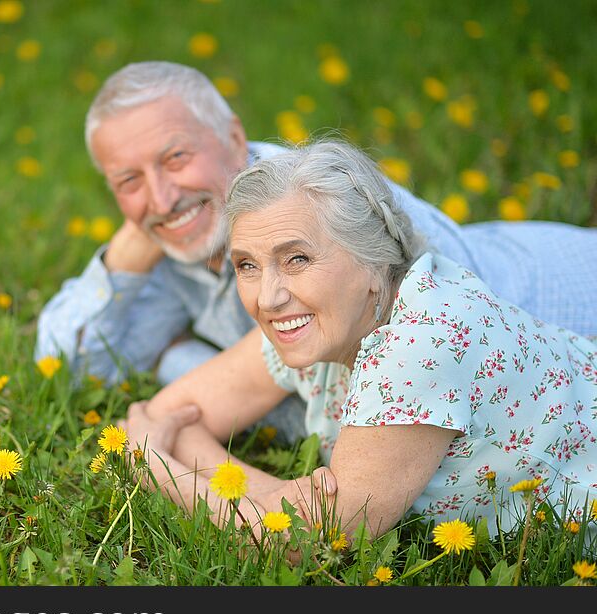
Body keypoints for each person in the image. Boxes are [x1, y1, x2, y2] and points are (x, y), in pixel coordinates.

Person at [36, 60, 597, 443]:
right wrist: (130, 249)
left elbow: (383, 408)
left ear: (233, 138)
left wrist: (178, 364)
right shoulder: (176, 240)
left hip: (569, 301)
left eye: (176, 157)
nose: (160, 195)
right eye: (128, 180)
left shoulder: (330, 201)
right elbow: (69, 367)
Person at [121, 139, 597, 543]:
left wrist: (162, 469)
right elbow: (174, 413)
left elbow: (305, 541)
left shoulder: (421, 344)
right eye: (247, 265)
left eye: (298, 259)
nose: (268, 297)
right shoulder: (325, 318)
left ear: (373, 262)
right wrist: (271, 496)